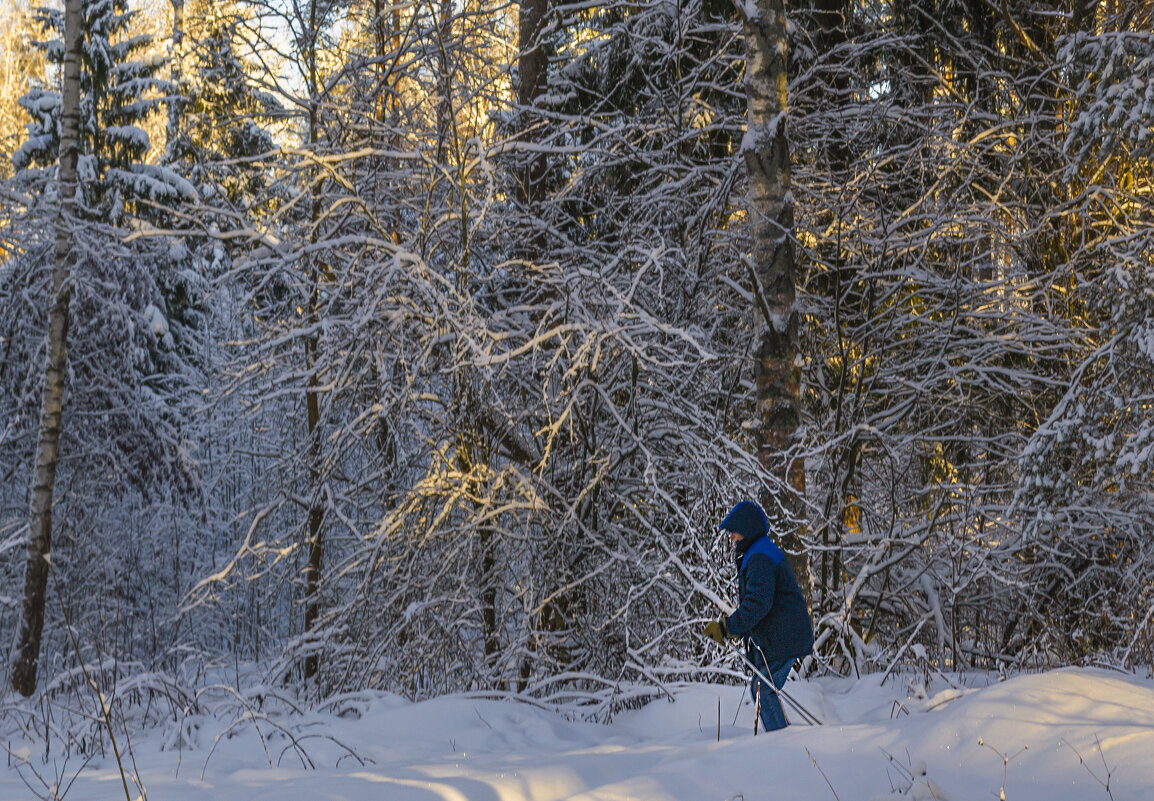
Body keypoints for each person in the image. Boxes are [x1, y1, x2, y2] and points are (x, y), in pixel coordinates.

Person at [704, 500, 814, 732]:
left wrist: (727, 628)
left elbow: (757, 604)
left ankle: (784, 741)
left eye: (734, 532)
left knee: (763, 690)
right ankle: (785, 736)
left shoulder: (760, 557)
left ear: (747, 530)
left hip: (785, 636)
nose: (731, 537)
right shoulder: (758, 552)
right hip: (782, 636)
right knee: (762, 688)